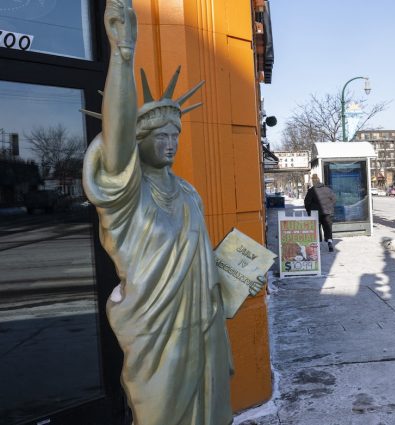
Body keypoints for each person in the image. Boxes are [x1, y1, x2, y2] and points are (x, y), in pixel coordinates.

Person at [79, 1, 247, 423]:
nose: (171, 143)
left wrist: (238, 278)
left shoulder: (189, 193)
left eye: (176, 134)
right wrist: (122, 55)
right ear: (139, 141)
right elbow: (115, 144)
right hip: (155, 336)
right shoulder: (128, 194)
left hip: (203, 329)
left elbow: (203, 260)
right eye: (161, 136)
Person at [304, 174, 337, 252]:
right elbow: (334, 199)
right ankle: (329, 242)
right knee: (328, 228)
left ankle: (317, 245)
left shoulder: (312, 190)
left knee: (316, 228)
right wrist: (330, 207)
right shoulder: (328, 189)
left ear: (313, 181)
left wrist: (309, 211)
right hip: (328, 212)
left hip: (315, 213)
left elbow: (307, 202)